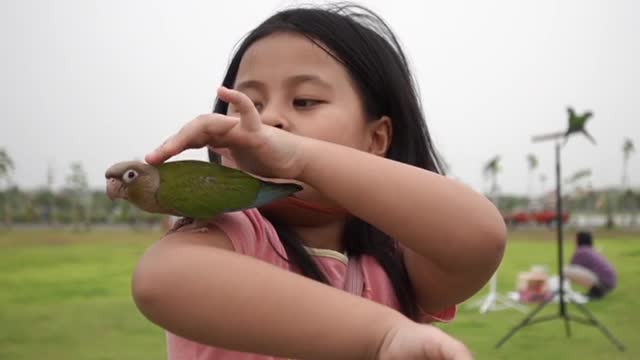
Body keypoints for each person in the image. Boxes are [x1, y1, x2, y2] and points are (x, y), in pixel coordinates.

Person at [133, 4, 507, 359]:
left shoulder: (399, 264)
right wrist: (383, 337)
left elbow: (480, 238)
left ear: (377, 139)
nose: (270, 120)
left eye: (305, 101)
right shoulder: (231, 234)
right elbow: (161, 281)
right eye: (251, 103)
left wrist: (299, 156)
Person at [564, 231, 617, 300]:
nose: (573, 241)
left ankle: (597, 291)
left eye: (575, 239)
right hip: (610, 281)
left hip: (604, 282)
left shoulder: (581, 251)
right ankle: (595, 290)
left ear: (579, 240)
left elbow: (572, 266)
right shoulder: (591, 250)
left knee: (566, 271)